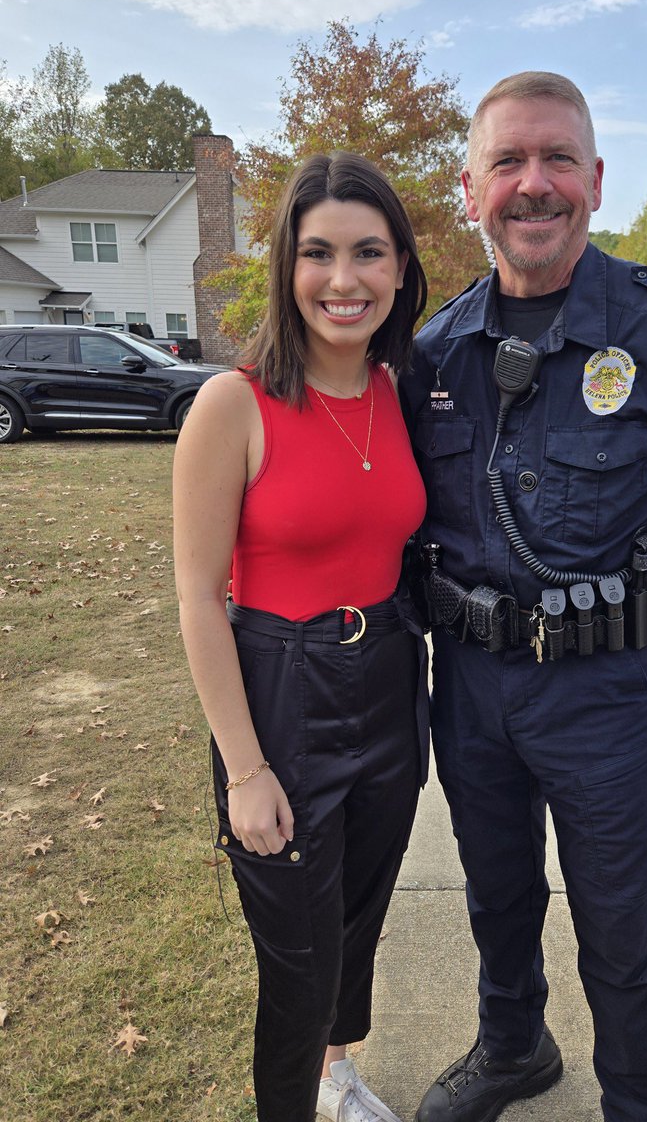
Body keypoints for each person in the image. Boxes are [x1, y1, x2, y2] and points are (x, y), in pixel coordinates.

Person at [400, 72, 647, 1122]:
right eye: (508, 162)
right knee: (497, 894)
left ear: (597, 180)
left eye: (558, 159)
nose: (535, 183)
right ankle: (514, 1048)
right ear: (471, 189)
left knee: (620, 924)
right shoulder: (435, 351)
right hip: (471, 683)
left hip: (603, 693)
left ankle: (641, 1103)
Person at [174, 151, 430, 1122]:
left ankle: (335, 1074)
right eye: (318, 252)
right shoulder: (232, 405)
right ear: (288, 265)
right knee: (297, 956)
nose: (342, 278)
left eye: (369, 252)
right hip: (281, 692)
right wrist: (246, 770)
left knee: (358, 921)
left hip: (391, 679)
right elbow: (199, 598)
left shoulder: (401, 393)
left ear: (399, 268)